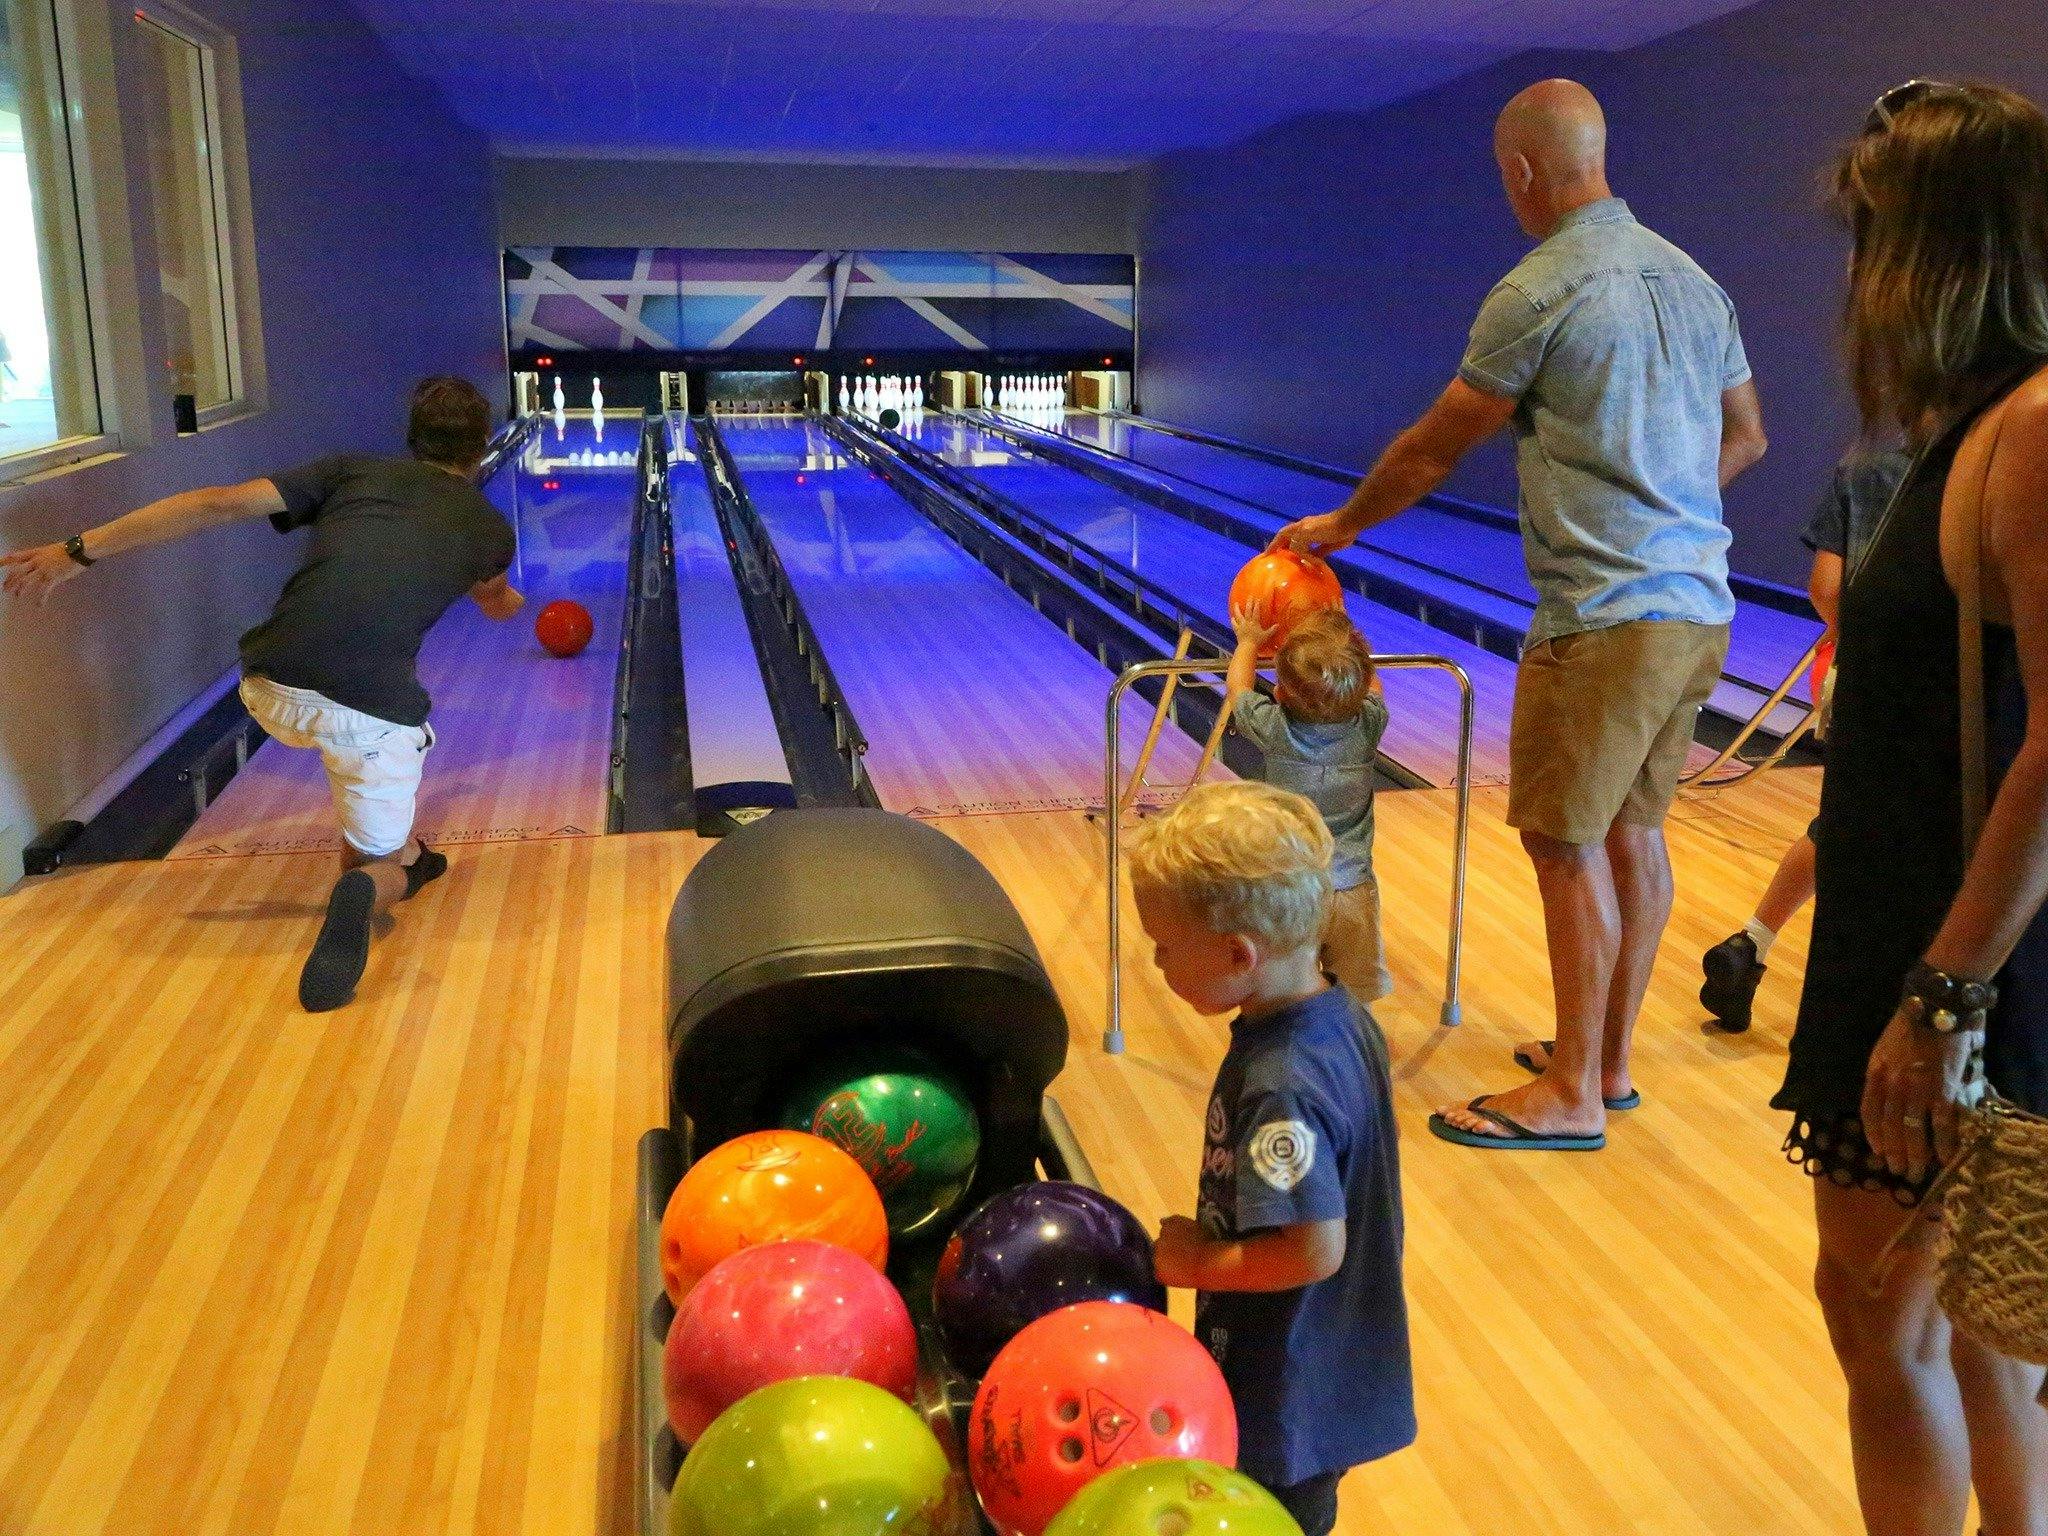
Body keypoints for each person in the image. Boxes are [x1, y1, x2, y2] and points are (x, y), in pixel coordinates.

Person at [1271, 78, 1768, 1150]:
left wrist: (1341, 526)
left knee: (1562, 841)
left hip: (1602, 615)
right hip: (1697, 606)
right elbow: (1748, 435)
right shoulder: (1696, 281)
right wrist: (1673, 515)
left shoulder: (1538, 289)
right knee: (1633, 831)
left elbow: (1431, 450)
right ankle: (1606, 1063)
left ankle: (1573, 1093)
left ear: (1521, 172)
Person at [1778, 80, 2048, 1536]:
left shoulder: (2033, 428)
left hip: (1954, 964)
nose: (1855, 280)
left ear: (1939, 252)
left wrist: (1942, 997)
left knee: (1882, 1318)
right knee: (1974, 1313)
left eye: (1871, 239)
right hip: (1925, 942)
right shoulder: (1979, 427)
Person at [1, 376, 523, 1013]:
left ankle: (413, 855)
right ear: (482, 447)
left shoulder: (350, 472)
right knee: (372, 859)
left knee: (366, 770)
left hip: (267, 683)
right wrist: (514, 600)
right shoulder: (490, 529)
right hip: (366, 714)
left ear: (412, 439)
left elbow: (215, 504)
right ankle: (381, 879)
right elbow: (496, 603)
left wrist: (75, 551)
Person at [1127, 780, 1415, 1534]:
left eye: (1164, 945)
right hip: (1327, 1357)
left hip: (1288, 1380)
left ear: (1236, 952)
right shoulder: (1341, 1014)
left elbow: (1315, 1250)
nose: (1155, 960)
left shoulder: (1280, 1084)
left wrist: (1196, 1262)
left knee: (1274, 1518)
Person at [1697, 445, 1909, 1032]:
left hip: (1851, 669)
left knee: (1843, 821)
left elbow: (1827, 587)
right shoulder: (1997, 455)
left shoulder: (1866, 462)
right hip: (1947, 692)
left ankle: (1751, 944)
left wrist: (1867, 642)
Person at [1225, 606, 1393, 1001]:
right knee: (1354, 995)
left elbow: (1239, 689)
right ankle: (1349, 1036)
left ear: (1279, 693)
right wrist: (1347, 640)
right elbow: (1373, 687)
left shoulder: (1274, 727)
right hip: (1351, 891)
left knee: (1284, 991)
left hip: (1289, 890)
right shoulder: (1369, 724)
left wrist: (1248, 643)